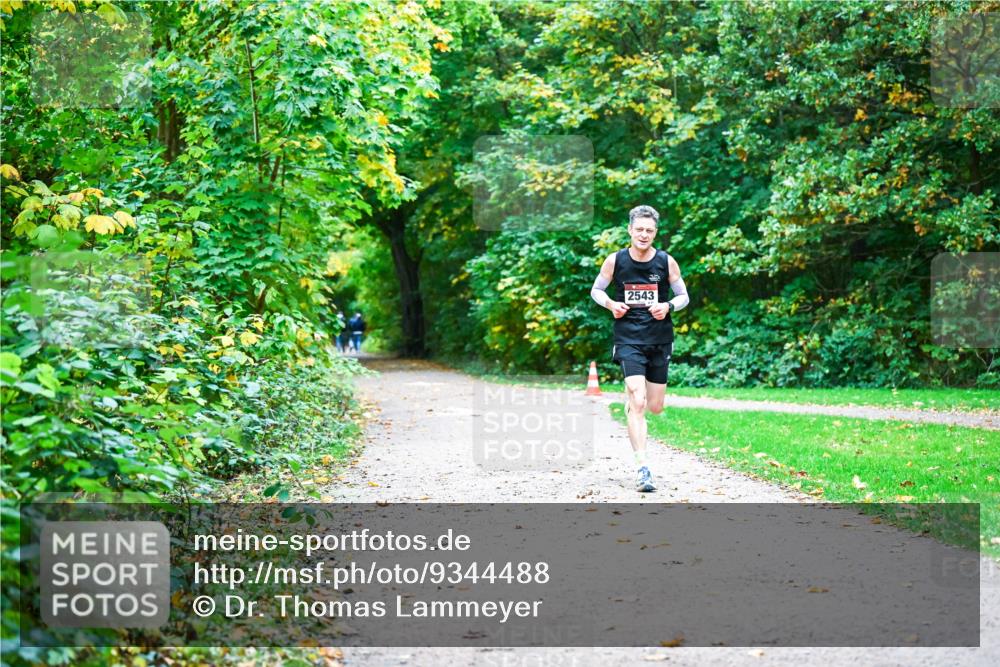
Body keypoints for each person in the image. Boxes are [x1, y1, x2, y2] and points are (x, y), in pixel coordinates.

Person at [590, 205, 689, 492]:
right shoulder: (615, 260)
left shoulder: (666, 262)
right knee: (638, 399)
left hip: (659, 339)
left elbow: (683, 296)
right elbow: (596, 290)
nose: (644, 235)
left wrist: (667, 306)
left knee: (655, 407)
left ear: (655, 233)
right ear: (630, 230)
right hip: (628, 338)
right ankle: (643, 468)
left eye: (649, 230)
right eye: (639, 229)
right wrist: (611, 304)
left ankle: (635, 404)